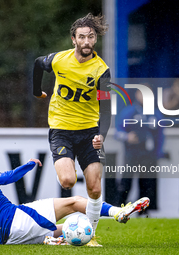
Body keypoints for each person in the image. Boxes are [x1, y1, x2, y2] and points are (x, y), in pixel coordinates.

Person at [0, 151, 150, 246]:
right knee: (74, 202)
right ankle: (117, 213)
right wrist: (29, 165)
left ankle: (52, 240)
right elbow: (7, 177)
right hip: (15, 221)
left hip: (7, 239)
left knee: (67, 228)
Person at [32, 13, 112, 246]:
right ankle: (70, 223)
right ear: (73, 39)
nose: (86, 42)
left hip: (89, 132)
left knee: (95, 188)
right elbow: (38, 63)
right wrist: (37, 92)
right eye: (82, 37)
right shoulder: (59, 59)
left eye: (91, 37)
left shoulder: (101, 71)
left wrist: (101, 135)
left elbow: (106, 109)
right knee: (67, 180)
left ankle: (91, 235)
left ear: (95, 40)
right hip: (61, 129)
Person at [115, 86, 164, 209]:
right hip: (132, 154)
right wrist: (127, 137)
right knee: (126, 183)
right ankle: (119, 209)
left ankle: (144, 212)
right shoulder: (129, 112)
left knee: (147, 185)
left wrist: (158, 154)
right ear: (137, 95)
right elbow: (118, 132)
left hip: (148, 156)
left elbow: (160, 136)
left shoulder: (155, 114)